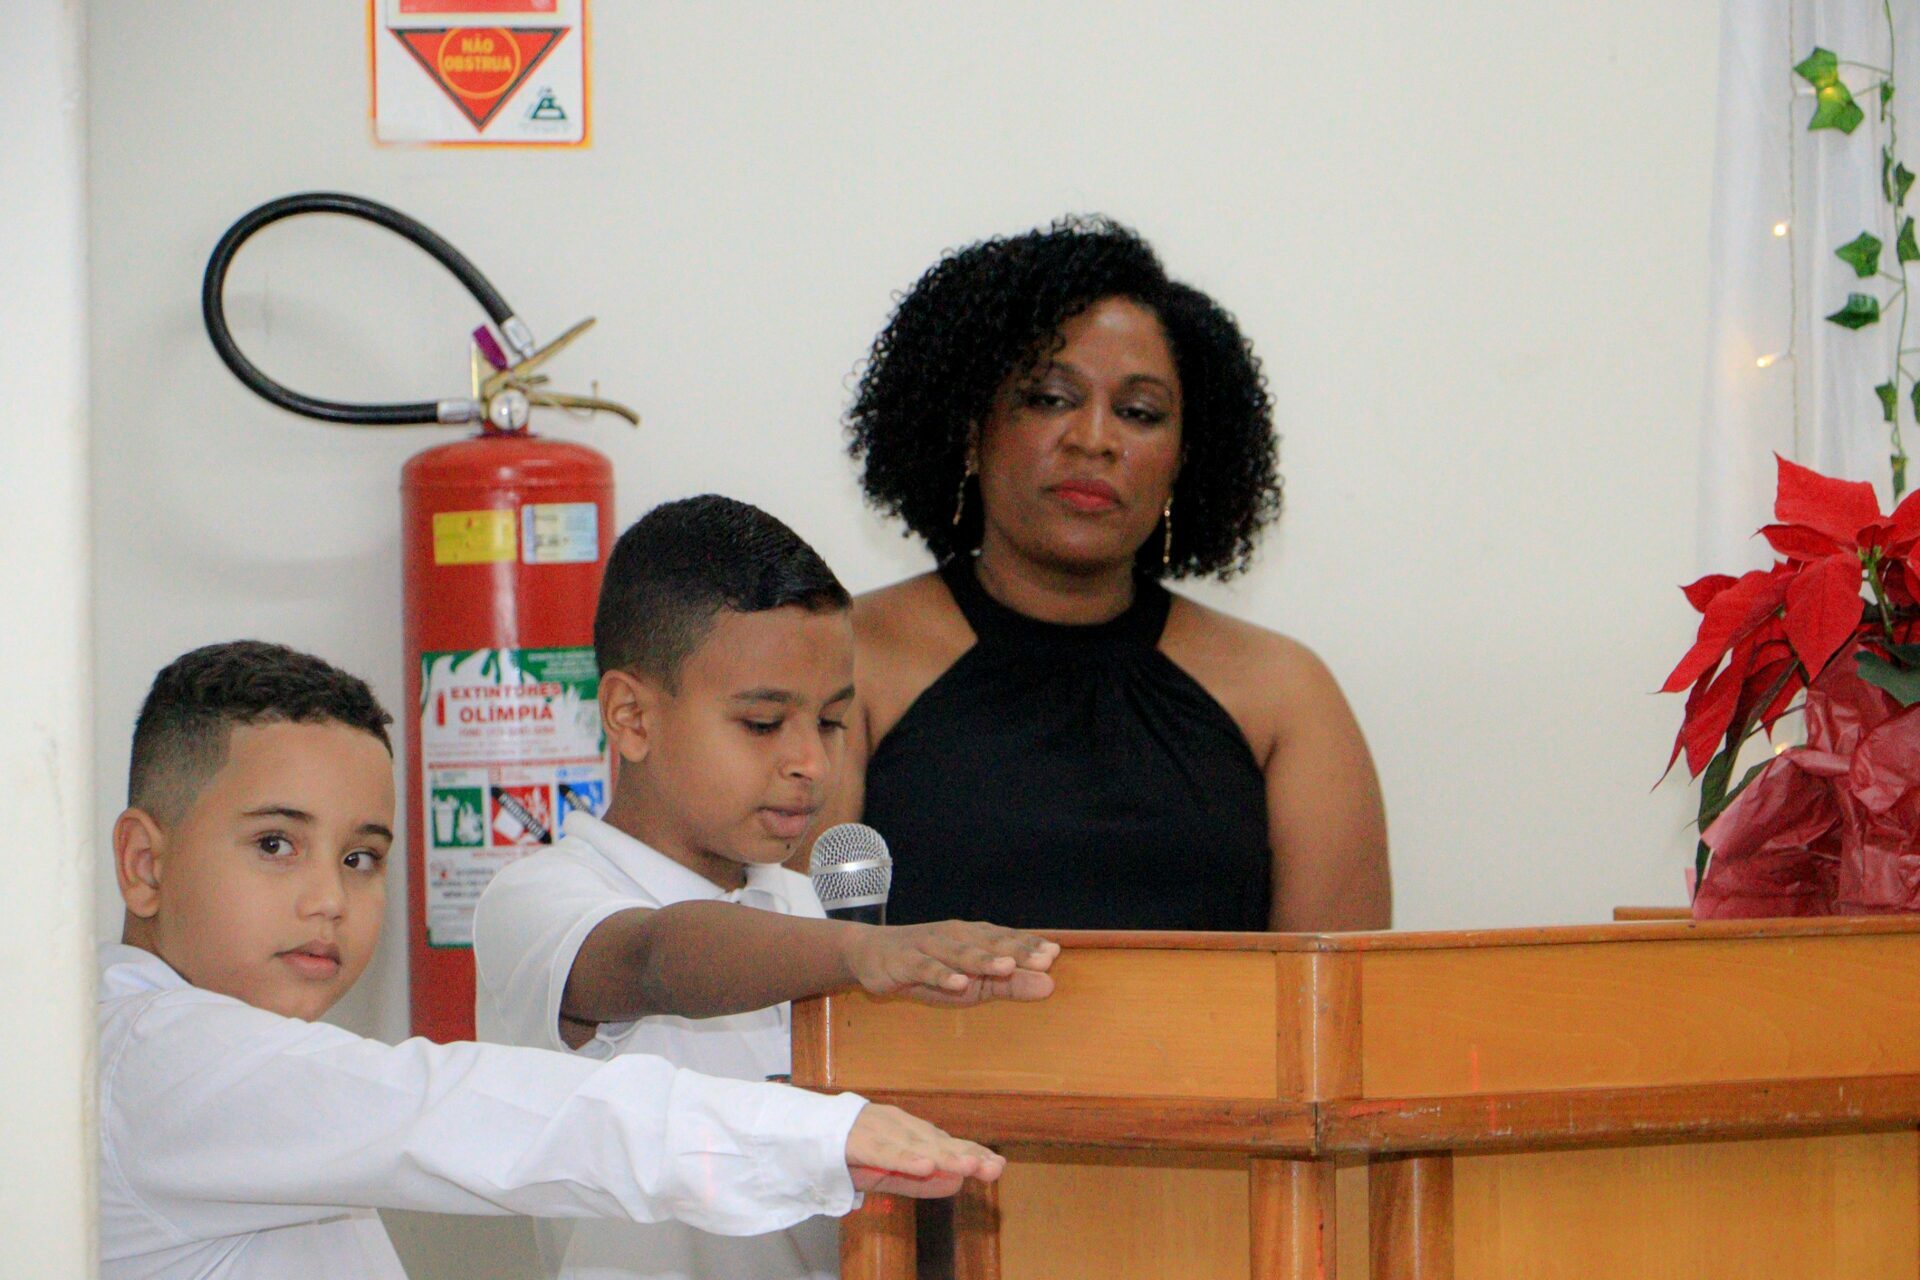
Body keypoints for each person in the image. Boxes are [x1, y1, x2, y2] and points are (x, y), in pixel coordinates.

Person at [98, 640, 1010, 1280]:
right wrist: (818, 1138)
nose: (328, 899)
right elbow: (466, 1110)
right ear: (145, 864)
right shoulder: (162, 1060)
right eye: (274, 845)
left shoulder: (200, 1058)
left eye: (361, 857)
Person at [473, 495, 1059, 1280]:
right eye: (762, 723)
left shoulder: (808, 907)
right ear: (631, 717)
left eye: (831, 722)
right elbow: (659, 957)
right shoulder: (538, 898)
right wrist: (860, 952)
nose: (811, 763)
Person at [834, 216, 1390, 933]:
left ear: (1183, 459)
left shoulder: (1284, 695)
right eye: (1049, 398)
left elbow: (1342, 995)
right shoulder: (847, 658)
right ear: (971, 429)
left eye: (1139, 412)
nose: (1094, 439)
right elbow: (792, 958)